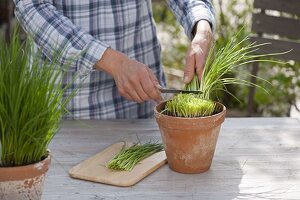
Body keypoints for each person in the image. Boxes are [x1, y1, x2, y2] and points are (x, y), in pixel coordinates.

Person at [13, 0, 215, 119]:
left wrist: (201, 25)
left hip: (142, 104)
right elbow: (32, 7)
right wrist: (114, 62)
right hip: (70, 110)